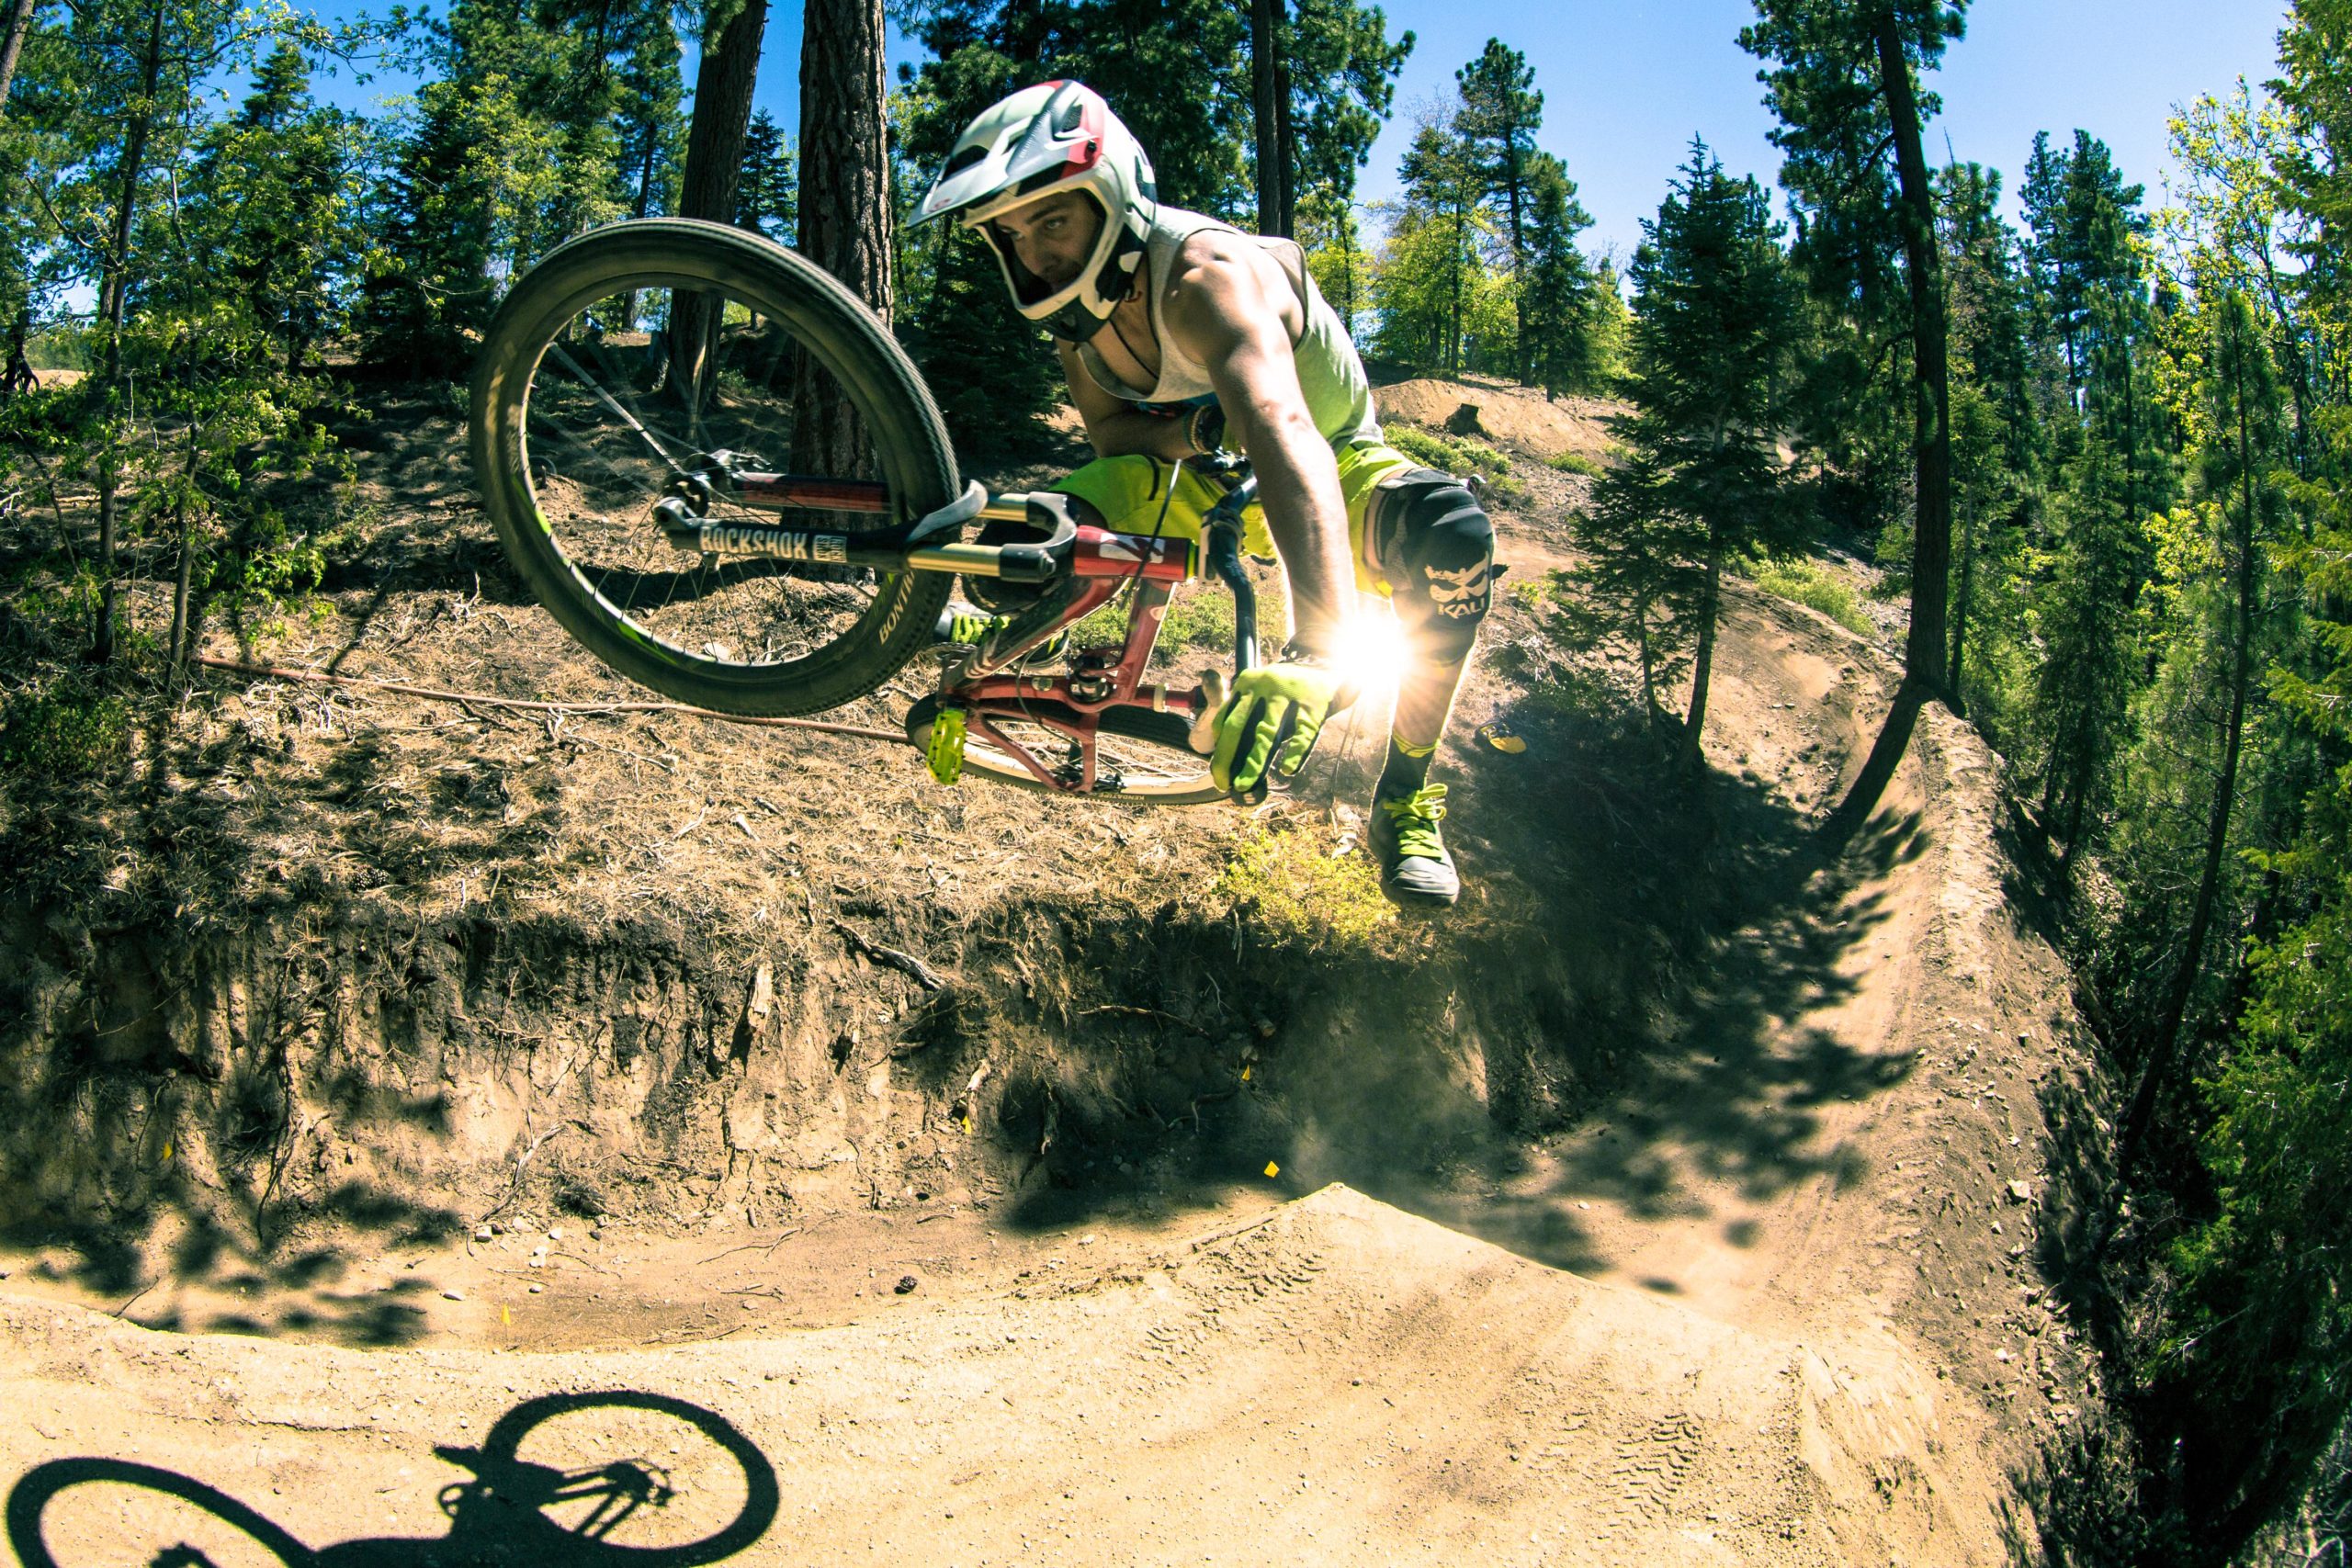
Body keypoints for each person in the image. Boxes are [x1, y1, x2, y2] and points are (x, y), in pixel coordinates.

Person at [914, 80, 1496, 907]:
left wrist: (1320, 642)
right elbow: (1114, 439)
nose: (1036, 256)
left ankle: (1403, 798)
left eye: (1054, 221)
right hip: (1201, 478)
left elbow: (1283, 428)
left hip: (1334, 466)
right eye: (1012, 235)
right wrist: (1192, 437)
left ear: (1110, 197)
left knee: (1453, 540)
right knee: (1027, 540)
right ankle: (1001, 625)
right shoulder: (1077, 324)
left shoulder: (1206, 276)